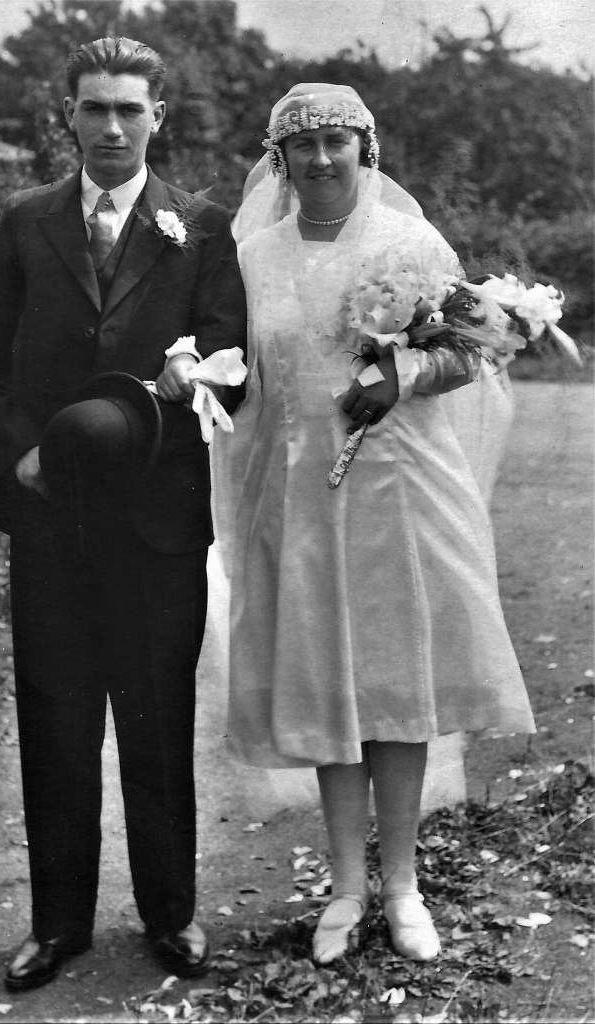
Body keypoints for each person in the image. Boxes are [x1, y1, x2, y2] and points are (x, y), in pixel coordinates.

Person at [0, 37, 247, 991]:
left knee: (157, 724)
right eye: (93, 109)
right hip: (49, 520)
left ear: (160, 118)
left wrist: (181, 389)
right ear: (65, 117)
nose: (111, 127)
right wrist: (18, 451)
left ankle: (170, 916)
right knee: (56, 721)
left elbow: (236, 376)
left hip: (156, 524)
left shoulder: (203, 229)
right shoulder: (26, 222)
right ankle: (58, 924)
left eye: (129, 109)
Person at [213, 83, 535, 964]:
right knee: (329, 688)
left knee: (393, 689)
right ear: (278, 159)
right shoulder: (255, 256)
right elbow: (241, 373)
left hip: (400, 493)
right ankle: (344, 889)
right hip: (303, 498)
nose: (321, 159)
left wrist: (401, 377)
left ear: (367, 151)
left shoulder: (409, 241)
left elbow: (472, 350)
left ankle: (400, 884)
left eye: (337, 142)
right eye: (303, 144)